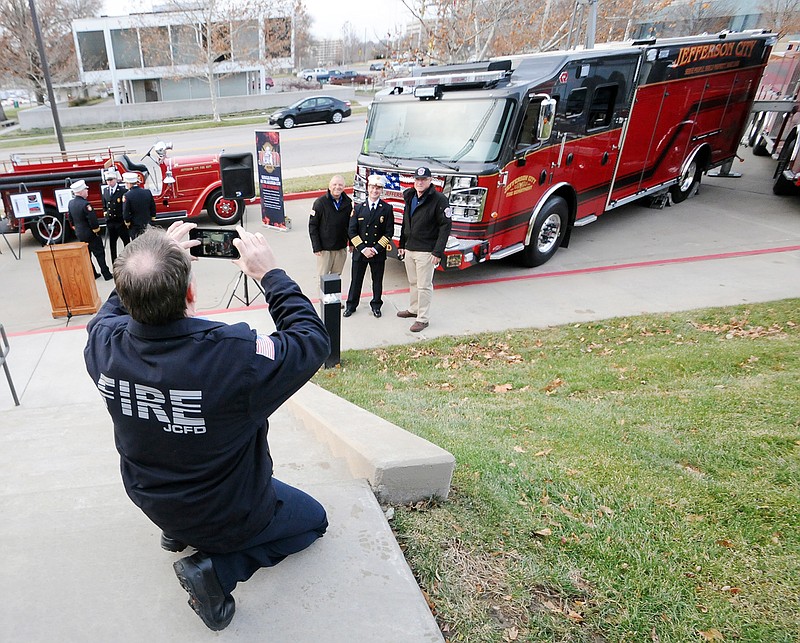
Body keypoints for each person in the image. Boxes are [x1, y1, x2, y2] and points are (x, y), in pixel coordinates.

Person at [83, 222, 330, 631]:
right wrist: (270, 274)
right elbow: (310, 339)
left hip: (152, 497)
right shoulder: (235, 359)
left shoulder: (102, 344)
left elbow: (108, 314)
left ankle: (175, 532)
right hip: (227, 510)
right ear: (190, 293)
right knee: (314, 520)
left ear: (125, 295)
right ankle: (216, 568)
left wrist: (143, 272)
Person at [397, 167, 452, 332]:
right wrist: (401, 244)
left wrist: (437, 252)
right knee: (413, 282)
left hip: (426, 250)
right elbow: (406, 222)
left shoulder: (439, 200)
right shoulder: (410, 196)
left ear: (430, 181)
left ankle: (423, 318)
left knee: (424, 286)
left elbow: (445, 226)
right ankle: (414, 309)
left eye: (423, 180)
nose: (420, 183)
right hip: (410, 247)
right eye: (417, 180)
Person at [343, 174, 394, 318]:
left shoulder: (387, 209)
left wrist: (376, 249)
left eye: (378, 188)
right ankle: (351, 306)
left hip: (377, 253)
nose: (375, 190)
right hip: (361, 252)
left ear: (381, 190)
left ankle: (376, 305)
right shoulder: (358, 208)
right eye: (372, 187)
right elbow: (352, 231)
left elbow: (389, 232)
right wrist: (363, 249)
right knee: (356, 281)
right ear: (368, 188)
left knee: (377, 281)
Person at [308, 175, 352, 279]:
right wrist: (316, 247)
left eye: (340, 185)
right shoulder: (320, 203)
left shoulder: (348, 203)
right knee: (323, 278)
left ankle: (334, 296)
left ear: (344, 187)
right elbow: (313, 226)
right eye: (334, 184)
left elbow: (350, 225)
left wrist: (351, 243)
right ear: (329, 186)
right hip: (324, 249)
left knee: (335, 278)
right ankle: (322, 296)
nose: (337, 187)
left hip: (341, 248)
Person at [67, 179, 113, 281]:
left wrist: (76, 229)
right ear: (80, 192)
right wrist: (96, 230)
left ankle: (93, 273)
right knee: (99, 253)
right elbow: (93, 221)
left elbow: (70, 219)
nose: (87, 191)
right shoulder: (85, 205)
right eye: (85, 190)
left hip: (80, 234)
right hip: (91, 234)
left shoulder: (71, 203)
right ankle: (106, 274)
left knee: (87, 255)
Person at [102, 169, 130, 263]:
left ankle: (129, 260)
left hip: (120, 221)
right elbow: (105, 206)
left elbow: (125, 207)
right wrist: (106, 215)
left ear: (116, 179)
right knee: (112, 244)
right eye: (108, 180)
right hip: (111, 222)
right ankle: (114, 262)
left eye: (111, 180)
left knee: (127, 243)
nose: (109, 182)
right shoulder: (105, 191)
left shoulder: (123, 191)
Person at [122, 171, 156, 239]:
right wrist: (152, 218)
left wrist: (127, 222)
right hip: (147, 223)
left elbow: (126, 212)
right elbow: (152, 207)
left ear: (129, 183)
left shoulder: (127, 195)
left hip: (135, 226)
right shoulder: (147, 192)